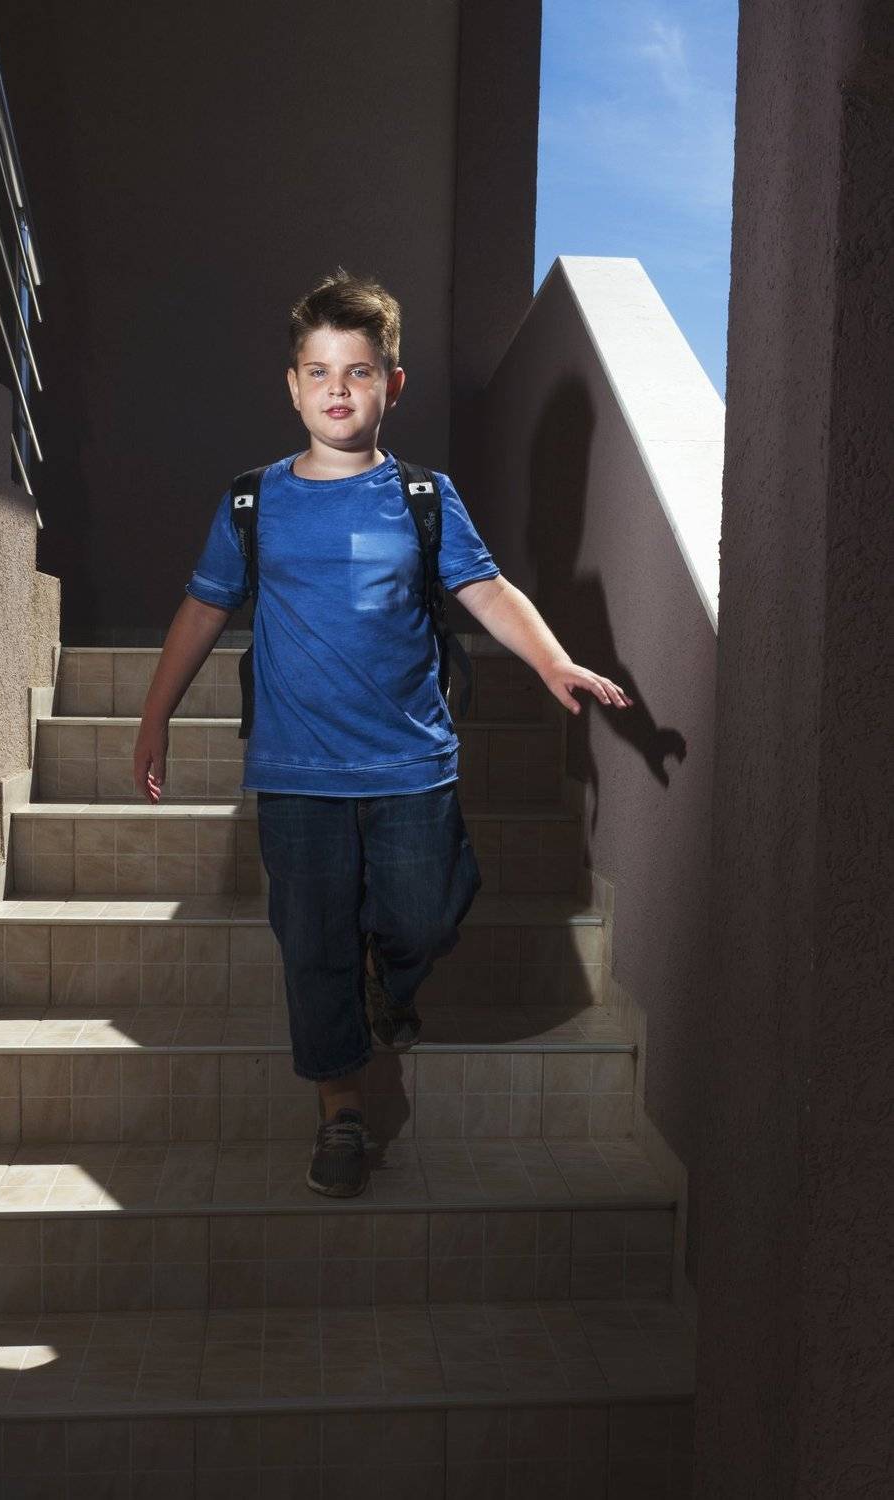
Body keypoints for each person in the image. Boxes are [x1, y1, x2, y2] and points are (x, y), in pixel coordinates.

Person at [132, 268, 631, 1197]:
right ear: (292, 386)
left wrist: (552, 662)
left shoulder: (423, 497)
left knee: (424, 914)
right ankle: (342, 1113)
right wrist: (154, 715)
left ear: (390, 386)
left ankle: (388, 981)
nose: (337, 389)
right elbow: (203, 609)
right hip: (297, 771)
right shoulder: (252, 502)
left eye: (358, 371)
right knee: (312, 944)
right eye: (318, 371)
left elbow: (487, 591)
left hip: (410, 761)